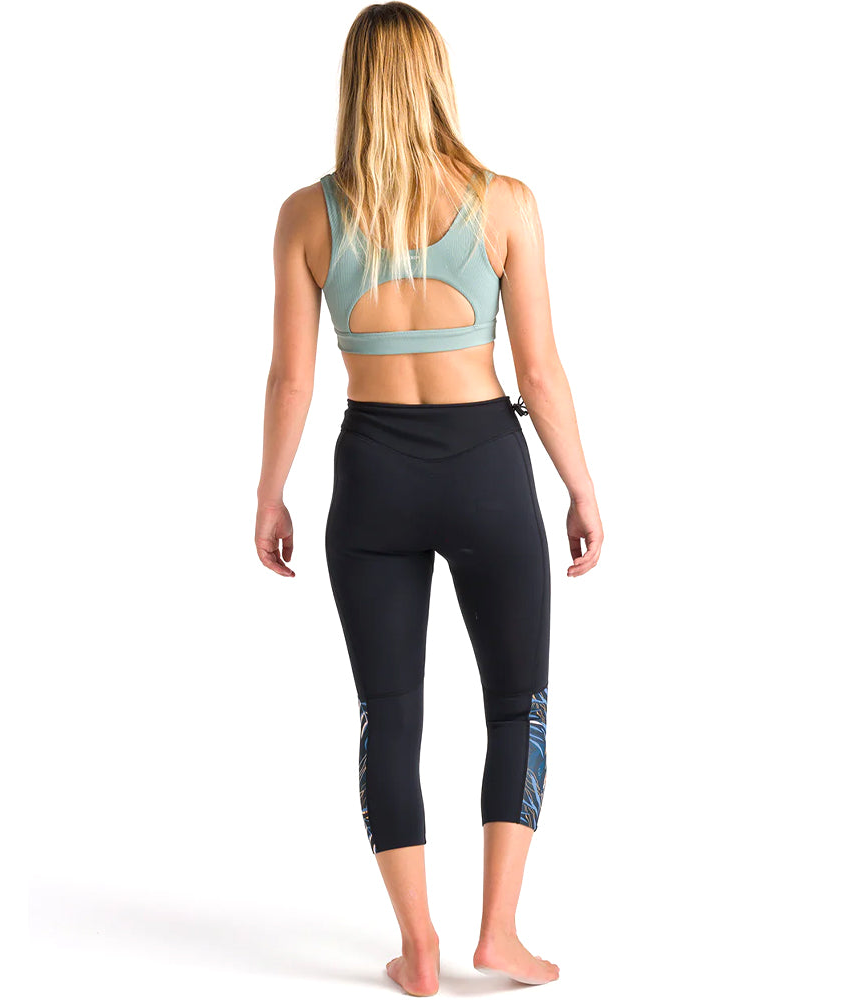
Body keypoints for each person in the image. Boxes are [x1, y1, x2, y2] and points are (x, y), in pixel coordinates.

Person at [254, 3, 603, 995]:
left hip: (371, 476)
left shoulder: (307, 215)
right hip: (485, 467)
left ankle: (416, 947)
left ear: (354, 85)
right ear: (435, 79)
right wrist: (580, 486)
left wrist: (271, 494)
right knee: (517, 704)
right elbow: (539, 373)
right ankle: (498, 934)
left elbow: (291, 378)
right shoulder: (505, 204)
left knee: (388, 714)